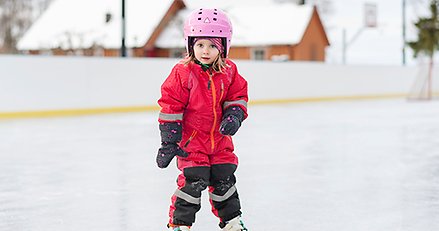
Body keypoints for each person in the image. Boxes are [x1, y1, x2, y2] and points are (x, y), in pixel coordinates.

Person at [156, 8, 249, 231]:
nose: (205, 51)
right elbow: (170, 104)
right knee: (193, 183)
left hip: (220, 142)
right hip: (192, 144)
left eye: (212, 45)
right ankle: (179, 224)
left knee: (224, 180)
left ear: (223, 46)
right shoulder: (183, 72)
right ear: (190, 45)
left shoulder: (229, 71)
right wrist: (169, 141)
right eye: (200, 45)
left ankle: (232, 223)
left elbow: (238, 96)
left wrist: (234, 115)